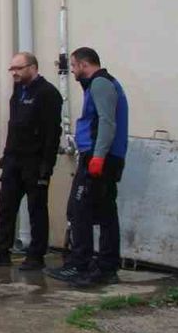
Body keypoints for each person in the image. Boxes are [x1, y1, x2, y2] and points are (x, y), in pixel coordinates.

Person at [48, 47, 129, 287]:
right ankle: (105, 266)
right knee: (105, 212)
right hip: (101, 155)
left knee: (79, 210)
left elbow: (107, 122)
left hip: (98, 157)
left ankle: (81, 264)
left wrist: (98, 157)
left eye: (73, 66)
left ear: (84, 64)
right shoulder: (102, 84)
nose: (72, 71)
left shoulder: (100, 84)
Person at [0, 52, 61, 270]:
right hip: (14, 160)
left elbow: (53, 132)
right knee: (5, 207)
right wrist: (7, 155)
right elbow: (13, 126)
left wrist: (47, 165)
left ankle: (36, 255)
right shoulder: (18, 91)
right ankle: (1, 251)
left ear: (32, 68)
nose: (14, 73)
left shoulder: (47, 93)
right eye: (12, 69)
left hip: (35, 161)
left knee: (36, 209)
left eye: (18, 68)